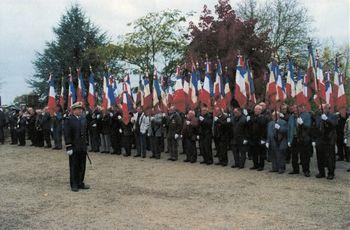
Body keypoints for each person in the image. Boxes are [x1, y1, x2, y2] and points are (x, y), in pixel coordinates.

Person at [64, 102, 90, 192]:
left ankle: (80, 182)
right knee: (74, 166)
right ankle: (74, 184)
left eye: (81, 109)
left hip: (82, 146)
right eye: (78, 109)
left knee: (82, 166)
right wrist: (68, 146)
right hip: (74, 147)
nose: (80, 110)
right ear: (74, 110)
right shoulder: (69, 120)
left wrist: (86, 143)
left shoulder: (83, 119)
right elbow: (67, 134)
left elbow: (85, 132)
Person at [288, 105, 312, 177]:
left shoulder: (306, 115)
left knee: (304, 155)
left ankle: (306, 170)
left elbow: (308, 127)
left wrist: (302, 124)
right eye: (294, 108)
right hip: (294, 138)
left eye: (297, 108)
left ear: (301, 108)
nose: (295, 110)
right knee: (294, 155)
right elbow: (289, 129)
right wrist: (289, 140)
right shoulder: (291, 117)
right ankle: (295, 169)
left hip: (302, 138)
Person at [315, 104, 337, 180]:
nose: (321, 110)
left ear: (328, 109)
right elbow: (317, 126)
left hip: (329, 139)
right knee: (319, 156)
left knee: (330, 157)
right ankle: (321, 172)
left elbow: (334, 124)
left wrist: (327, 120)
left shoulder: (333, 116)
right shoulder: (318, 116)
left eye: (323, 108)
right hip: (320, 138)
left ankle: (331, 173)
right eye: (320, 109)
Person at [248, 104, 268, 171]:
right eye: (255, 109)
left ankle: (261, 166)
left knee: (261, 153)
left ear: (260, 110)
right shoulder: (252, 117)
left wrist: (263, 138)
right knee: (254, 153)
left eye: (257, 110)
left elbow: (264, 128)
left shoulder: (263, 117)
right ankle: (255, 164)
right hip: (253, 138)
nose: (255, 111)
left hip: (260, 137)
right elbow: (250, 127)